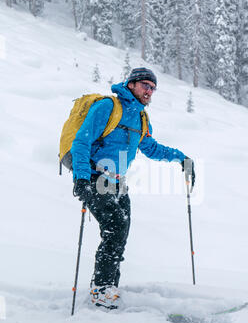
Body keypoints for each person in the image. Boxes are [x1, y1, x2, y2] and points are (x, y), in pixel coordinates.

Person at [71, 67, 195, 309]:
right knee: (115, 226)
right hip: (96, 177)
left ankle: (108, 287)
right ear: (131, 84)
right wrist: (81, 179)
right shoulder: (108, 107)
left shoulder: (140, 118)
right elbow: (81, 141)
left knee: (120, 232)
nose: (149, 91)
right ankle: (102, 290)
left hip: (118, 182)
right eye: (145, 85)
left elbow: (151, 148)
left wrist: (181, 158)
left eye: (153, 88)